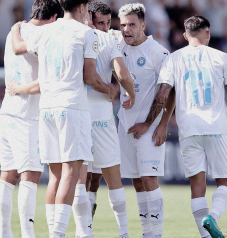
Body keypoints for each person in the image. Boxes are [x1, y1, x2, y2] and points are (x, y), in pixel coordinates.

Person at [12, 0, 116, 237]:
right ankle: (58, 234)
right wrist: (108, 88)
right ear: (82, 7)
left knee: (56, 175)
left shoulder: (46, 30)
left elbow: (18, 48)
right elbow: (89, 77)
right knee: (71, 172)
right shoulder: (86, 33)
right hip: (71, 107)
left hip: (47, 107)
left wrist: (14, 30)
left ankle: (54, 232)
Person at [158, 16, 227, 238]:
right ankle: (212, 218)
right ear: (208, 33)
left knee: (197, 185)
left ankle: (205, 236)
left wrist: (158, 123)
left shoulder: (174, 58)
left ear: (185, 36)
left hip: (188, 128)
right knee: (225, 182)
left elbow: (164, 93)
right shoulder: (221, 57)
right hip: (217, 126)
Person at [0, 1, 63, 237]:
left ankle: (5, 233)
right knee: (31, 173)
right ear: (54, 17)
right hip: (28, 114)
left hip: (7, 111)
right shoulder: (45, 34)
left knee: (8, 174)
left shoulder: (14, 32)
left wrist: (14, 29)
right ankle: (28, 234)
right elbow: (46, 80)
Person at [116, 3, 172, 238]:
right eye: (123, 25)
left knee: (149, 179)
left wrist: (159, 124)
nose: (126, 30)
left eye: (131, 25)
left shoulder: (158, 52)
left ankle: (156, 234)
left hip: (148, 128)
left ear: (143, 25)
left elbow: (169, 89)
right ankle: (146, 232)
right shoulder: (118, 46)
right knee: (137, 181)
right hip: (125, 125)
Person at [80, 2, 135, 237]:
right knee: (113, 176)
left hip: (78, 112)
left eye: (106, 23)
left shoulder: (74, 35)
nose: (103, 27)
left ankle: (84, 232)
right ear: (89, 18)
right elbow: (121, 73)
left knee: (82, 177)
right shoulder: (108, 40)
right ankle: (123, 233)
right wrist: (128, 93)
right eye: (99, 22)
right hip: (101, 113)